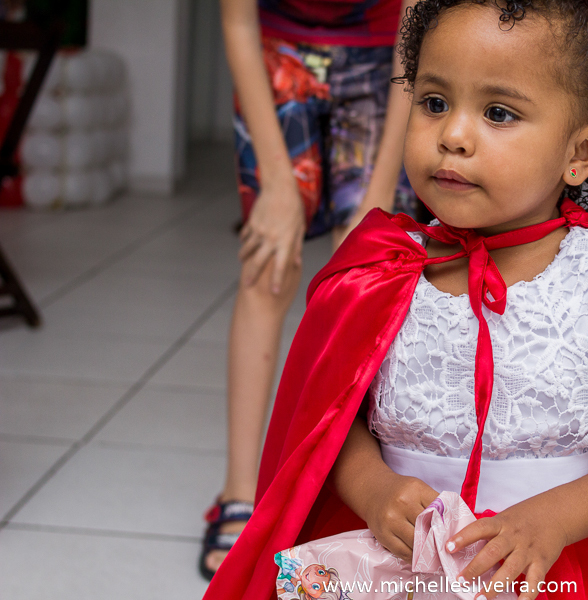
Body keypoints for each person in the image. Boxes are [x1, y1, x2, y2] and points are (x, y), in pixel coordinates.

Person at [204, 0, 588, 598]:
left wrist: (556, 518)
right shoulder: (380, 272)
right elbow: (333, 422)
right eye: (434, 102)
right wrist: (373, 487)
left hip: (572, 565)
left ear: (581, 153)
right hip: (399, 568)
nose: (452, 136)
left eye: (498, 113)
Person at [201, 0, 418, 580]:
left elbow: (415, 29)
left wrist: (378, 193)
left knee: (366, 278)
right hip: (277, 54)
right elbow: (237, 20)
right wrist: (277, 183)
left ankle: (346, 491)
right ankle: (240, 492)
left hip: (388, 61)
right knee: (267, 263)